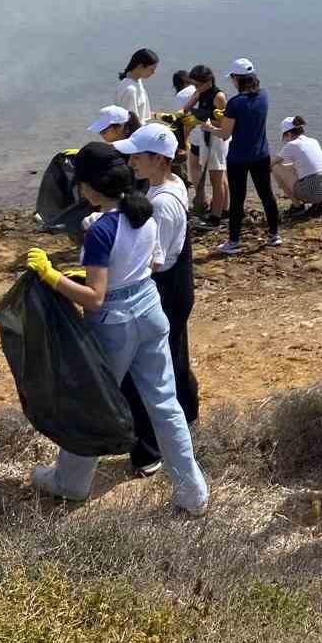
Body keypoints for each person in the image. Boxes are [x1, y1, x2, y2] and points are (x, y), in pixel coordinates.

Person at [26, 142, 208, 515]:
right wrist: (108, 273)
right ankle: (193, 493)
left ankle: (70, 483)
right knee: (164, 403)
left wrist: (51, 275)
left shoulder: (99, 230)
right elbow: (154, 263)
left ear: (90, 188)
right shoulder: (144, 212)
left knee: (92, 403)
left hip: (115, 325)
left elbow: (93, 297)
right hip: (150, 311)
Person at [112, 123, 200, 477]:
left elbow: (157, 259)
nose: (131, 161)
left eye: (137, 155)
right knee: (175, 354)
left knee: (144, 370)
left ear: (157, 159)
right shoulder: (171, 183)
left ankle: (149, 451)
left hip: (167, 285)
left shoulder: (162, 202)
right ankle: (189, 418)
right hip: (179, 284)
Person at [208, 59, 279, 255]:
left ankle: (233, 242)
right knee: (267, 195)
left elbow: (225, 134)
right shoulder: (264, 96)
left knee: (238, 199)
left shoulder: (235, 103)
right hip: (261, 154)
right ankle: (274, 234)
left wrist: (208, 127)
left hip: (238, 157)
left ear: (236, 79)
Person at [186, 65, 228, 229]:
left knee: (216, 180)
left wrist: (201, 119)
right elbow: (187, 108)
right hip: (205, 136)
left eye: (198, 84)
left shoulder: (218, 97)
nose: (195, 88)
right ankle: (222, 210)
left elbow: (225, 123)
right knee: (219, 177)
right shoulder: (200, 92)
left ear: (208, 81)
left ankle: (215, 218)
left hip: (216, 139)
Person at [273, 115, 322, 219]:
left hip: (311, 191)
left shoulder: (292, 145)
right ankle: (317, 204)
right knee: (299, 169)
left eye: (285, 137)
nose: (286, 140)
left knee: (275, 168)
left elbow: (271, 164)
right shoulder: (314, 141)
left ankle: (298, 207)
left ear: (288, 134)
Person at [114, 49, 158, 126]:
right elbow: (131, 123)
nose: (154, 72)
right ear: (140, 66)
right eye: (151, 69)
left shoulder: (137, 81)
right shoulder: (130, 90)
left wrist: (159, 116)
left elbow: (141, 113)